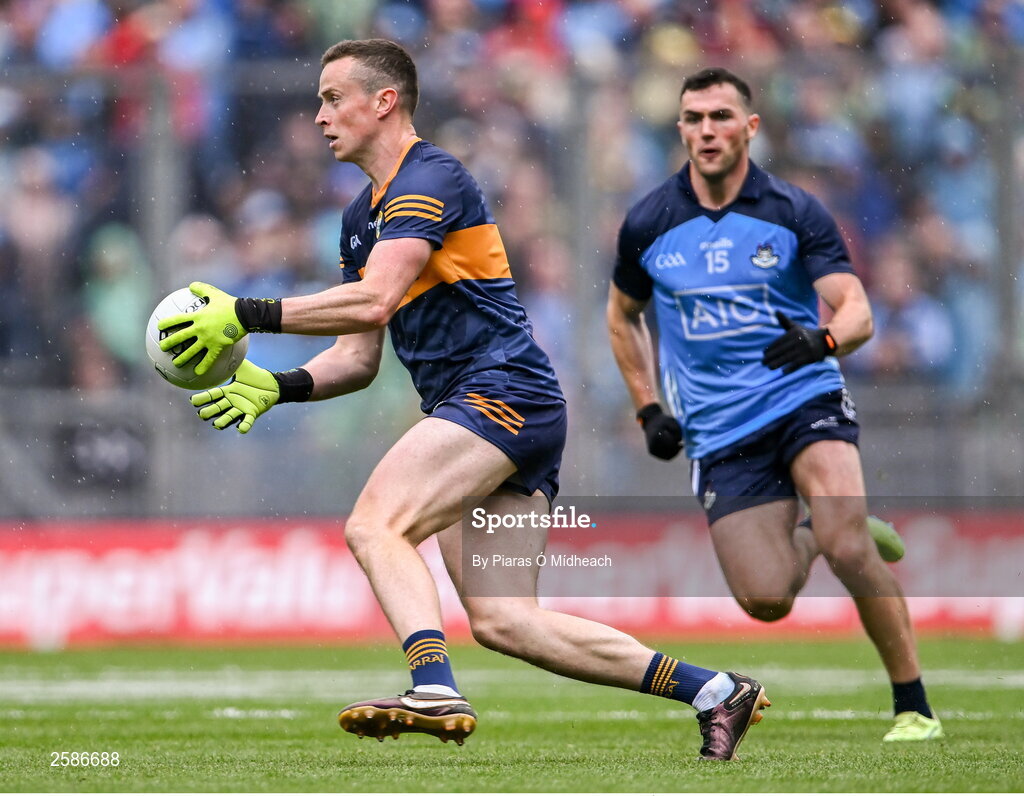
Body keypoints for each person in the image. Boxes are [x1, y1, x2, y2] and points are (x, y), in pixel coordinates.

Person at [159, 39, 769, 760]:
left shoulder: (432, 175)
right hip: (504, 404)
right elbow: (359, 354)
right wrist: (281, 386)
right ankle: (714, 690)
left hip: (498, 392)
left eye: (332, 98)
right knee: (507, 620)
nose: (319, 116)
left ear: (384, 102)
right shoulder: (360, 217)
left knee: (376, 526)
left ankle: (433, 687)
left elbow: (377, 294)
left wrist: (248, 313)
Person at [606, 67, 941, 743]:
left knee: (852, 547)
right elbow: (621, 317)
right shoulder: (648, 222)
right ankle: (816, 532)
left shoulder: (793, 211)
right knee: (765, 600)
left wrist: (820, 339)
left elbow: (858, 312)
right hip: (719, 428)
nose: (707, 130)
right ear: (680, 129)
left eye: (721, 117)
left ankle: (915, 707)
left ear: (749, 127)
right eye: (694, 118)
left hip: (802, 397)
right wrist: (648, 409)